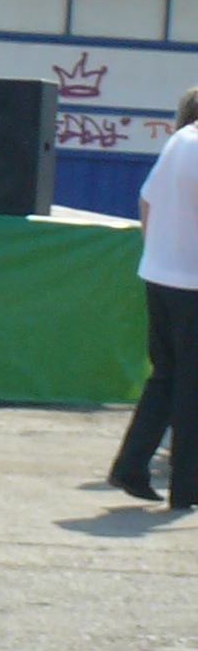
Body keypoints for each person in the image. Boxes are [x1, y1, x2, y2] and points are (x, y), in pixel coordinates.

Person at [108, 86, 198, 508]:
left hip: (160, 276)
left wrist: (157, 250)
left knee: (166, 377)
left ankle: (131, 464)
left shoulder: (180, 141)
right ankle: (187, 486)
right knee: (190, 387)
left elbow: (146, 200)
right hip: (192, 283)